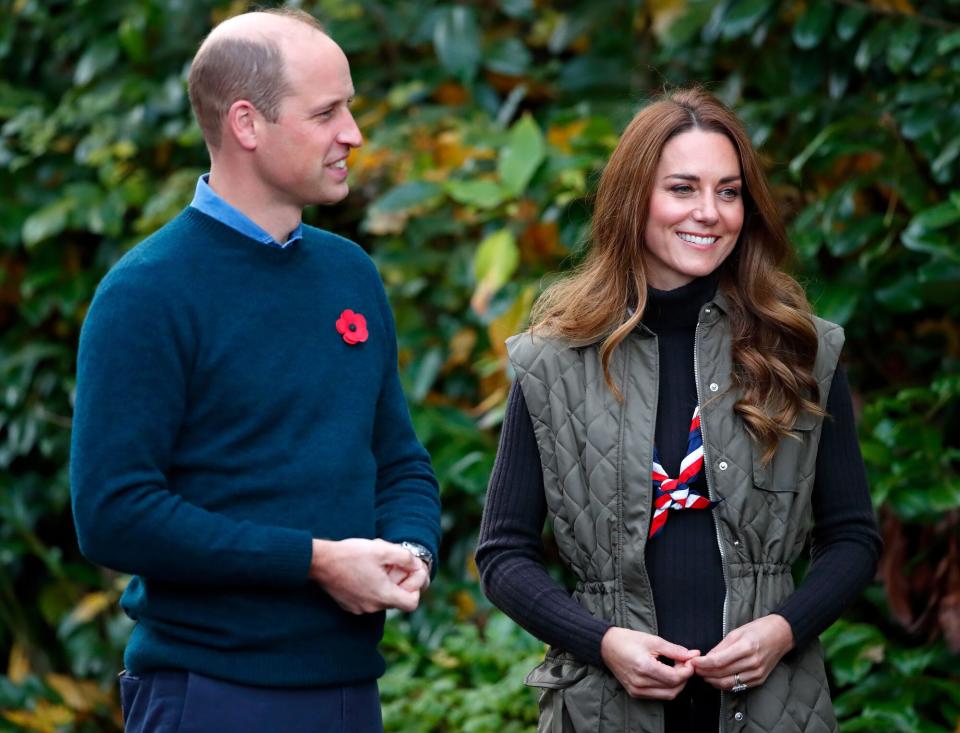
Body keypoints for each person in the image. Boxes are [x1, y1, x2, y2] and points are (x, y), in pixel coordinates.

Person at [70, 9, 440, 733]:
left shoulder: (350, 274)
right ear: (247, 123)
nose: (353, 134)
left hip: (348, 692)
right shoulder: (146, 292)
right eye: (328, 111)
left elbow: (399, 460)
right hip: (210, 693)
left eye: (351, 109)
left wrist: (408, 548)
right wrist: (313, 560)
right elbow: (113, 514)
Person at [476, 87, 881, 733]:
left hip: (772, 709)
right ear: (635, 197)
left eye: (729, 191)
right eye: (683, 188)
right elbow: (503, 554)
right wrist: (602, 639)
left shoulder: (801, 349)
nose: (710, 212)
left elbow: (854, 537)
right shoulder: (553, 358)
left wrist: (783, 628)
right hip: (605, 708)